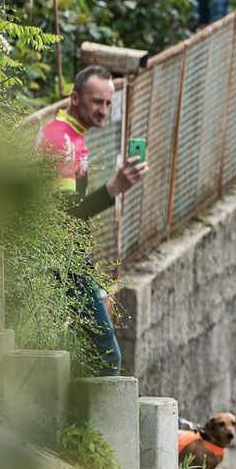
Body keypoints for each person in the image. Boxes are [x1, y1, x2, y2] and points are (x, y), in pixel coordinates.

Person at [34, 66, 148, 374]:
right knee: (107, 358)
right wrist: (114, 188)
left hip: (68, 258)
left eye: (108, 103)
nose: (104, 110)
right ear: (74, 98)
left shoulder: (74, 137)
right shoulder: (61, 140)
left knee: (78, 355)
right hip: (62, 260)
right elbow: (65, 214)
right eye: (97, 101)